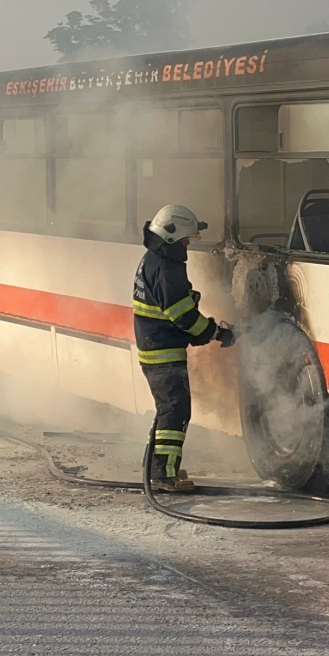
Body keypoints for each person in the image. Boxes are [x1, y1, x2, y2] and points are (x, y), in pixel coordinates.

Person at [132, 204, 235, 491]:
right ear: (171, 236)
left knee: (167, 409)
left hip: (155, 346)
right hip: (162, 351)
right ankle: (163, 475)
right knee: (175, 411)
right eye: (185, 240)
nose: (187, 246)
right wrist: (216, 333)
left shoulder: (154, 258)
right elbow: (184, 316)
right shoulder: (167, 268)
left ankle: (156, 466)